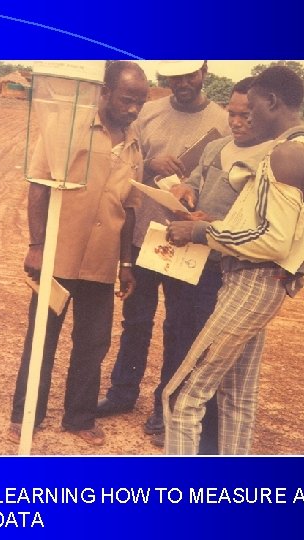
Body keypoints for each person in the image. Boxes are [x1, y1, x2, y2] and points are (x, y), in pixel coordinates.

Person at [163, 66, 304, 455]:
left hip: (247, 284)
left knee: (182, 397)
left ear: (272, 102)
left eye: (253, 107)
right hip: (266, 286)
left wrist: (202, 233)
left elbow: (273, 241)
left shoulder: (284, 154)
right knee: (237, 398)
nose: (247, 116)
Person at [8, 61, 149, 447]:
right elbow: (38, 187)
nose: (133, 109)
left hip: (102, 263)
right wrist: (37, 247)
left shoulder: (135, 144)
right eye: (127, 99)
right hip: (58, 254)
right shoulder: (66, 126)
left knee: (93, 342)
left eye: (140, 101)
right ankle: (26, 415)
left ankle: (79, 417)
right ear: (104, 92)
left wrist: (125, 264)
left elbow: (130, 208)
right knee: (43, 336)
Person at [96, 61, 230, 442]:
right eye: (176, 76)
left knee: (179, 328)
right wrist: (149, 165)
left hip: (185, 240)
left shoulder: (221, 122)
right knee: (136, 321)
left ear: (204, 70)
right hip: (143, 234)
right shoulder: (148, 112)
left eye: (191, 75)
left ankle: (165, 409)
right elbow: (124, 167)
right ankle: (121, 394)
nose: (183, 83)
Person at [147, 76, 275, 450]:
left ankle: (208, 441)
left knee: (215, 357)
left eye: (245, 116)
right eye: (232, 114)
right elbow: (198, 185)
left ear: (265, 113)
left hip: (230, 273)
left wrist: (210, 226)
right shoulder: (217, 148)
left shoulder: (272, 160)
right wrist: (186, 192)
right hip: (191, 264)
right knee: (177, 336)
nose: (235, 122)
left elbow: (257, 224)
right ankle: (166, 416)